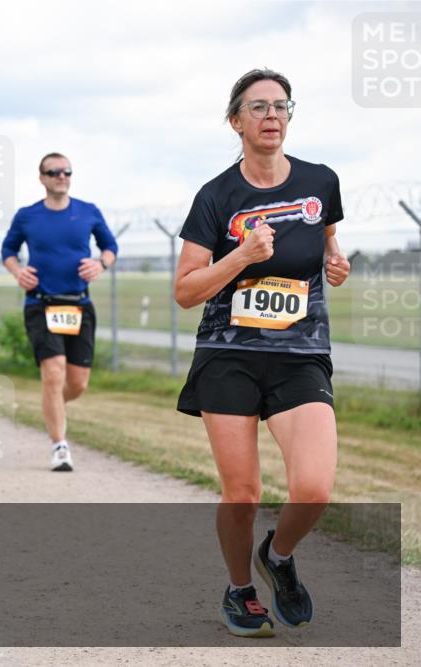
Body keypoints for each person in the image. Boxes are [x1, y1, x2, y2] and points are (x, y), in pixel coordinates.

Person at [174, 69, 349, 638]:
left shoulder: (321, 182)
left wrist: (337, 264)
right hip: (228, 354)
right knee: (243, 493)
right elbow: (185, 291)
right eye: (258, 107)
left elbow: (328, 244)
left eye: (281, 105)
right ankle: (239, 589)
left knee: (314, 488)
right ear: (236, 121)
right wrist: (241, 257)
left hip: (300, 353)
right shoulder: (216, 196)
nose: (272, 115)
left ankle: (277, 556)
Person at [1, 153, 118, 472]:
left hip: (78, 304)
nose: (61, 176)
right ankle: (59, 446)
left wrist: (101, 264)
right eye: (53, 172)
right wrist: (17, 271)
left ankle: (52, 405)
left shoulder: (88, 211)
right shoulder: (27, 216)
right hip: (41, 304)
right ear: (42, 178)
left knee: (77, 384)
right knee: (53, 374)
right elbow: (8, 250)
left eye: (66, 171)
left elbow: (111, 247)